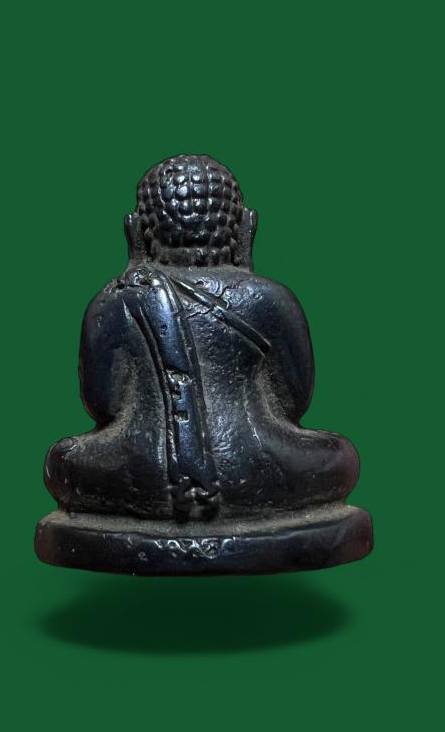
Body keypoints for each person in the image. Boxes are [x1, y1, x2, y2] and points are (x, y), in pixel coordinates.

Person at [44, 155, 359, 522]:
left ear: (137, 229)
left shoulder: (115, 300)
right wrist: (245, 273)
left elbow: (104, 405)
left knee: (63, 459)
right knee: (339, 455)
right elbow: (294, 403)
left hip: (143, 470)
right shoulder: (268, 298)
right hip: (256, 466)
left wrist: (135, 272)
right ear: (243, 225)